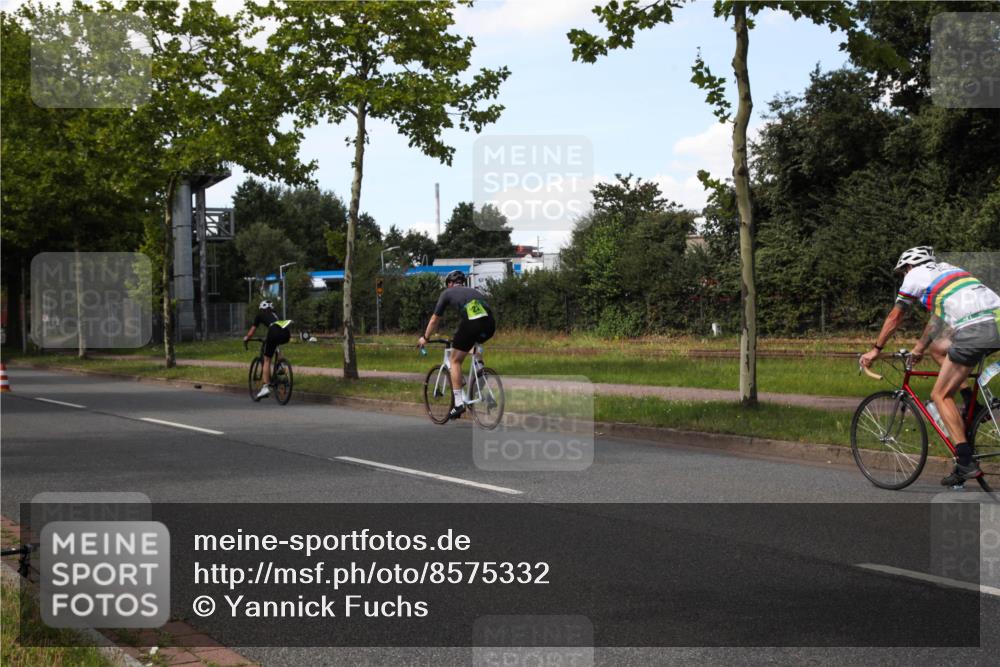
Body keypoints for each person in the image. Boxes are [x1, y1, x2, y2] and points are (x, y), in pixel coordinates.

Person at [860, 246, 1000, 485]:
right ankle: (971, 403)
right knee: (938, 349)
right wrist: (919, 349)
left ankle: (965, 461)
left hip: (975, 330)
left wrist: (876, 349)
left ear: (908, 267)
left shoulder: (914, 276)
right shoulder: (952, 272)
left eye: (903, 272)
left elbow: (895, 317)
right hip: (995, 322)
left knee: (940, 395)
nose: (904, 277)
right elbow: (937, 319)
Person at [417, 270, 496, 421]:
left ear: (450, 284)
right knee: (473, 348)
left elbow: (434, 320)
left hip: (473, 324)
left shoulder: (447, 293)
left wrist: (425, 338)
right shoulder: (473, 291)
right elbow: (477, 315)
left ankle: (459, 403)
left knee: (454, 360)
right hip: (490, 325)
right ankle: (482, 385)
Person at [243, 300, 292, 399]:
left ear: (262, 308)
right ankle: (281, 365)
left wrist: (247, 338)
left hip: (273, 332)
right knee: (276, 344)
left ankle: (265, 387)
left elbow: (252, 331)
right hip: (286, 333)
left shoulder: (260, 315)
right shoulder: (276, 315)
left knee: (267, 359)